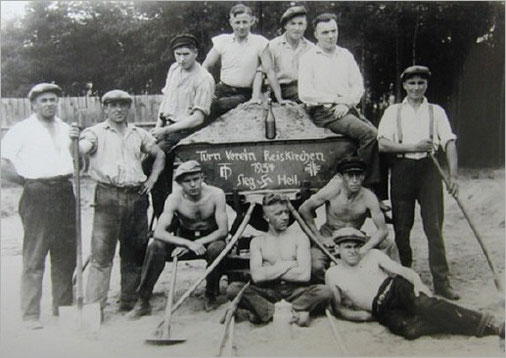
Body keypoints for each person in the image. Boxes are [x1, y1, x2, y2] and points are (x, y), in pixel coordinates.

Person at [71, 90, 165, 313]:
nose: (118, 109)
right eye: (113, 105)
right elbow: (79, 152)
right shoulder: (95, 133)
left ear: (129, 107)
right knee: (102, 255)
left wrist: (151, 180)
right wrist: (73, 142)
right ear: (105, 108)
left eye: (123, 105)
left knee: (134, 252)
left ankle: (129, 301)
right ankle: (95, 307)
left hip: (137, 196)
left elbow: (159, 155)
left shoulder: (138, 133)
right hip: (107, 197)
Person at [325, 228, 505, 340]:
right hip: (380, 309)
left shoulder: (372, 255)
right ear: (338, 249)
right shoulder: (332, 274)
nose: (353, 251)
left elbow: (403, 271)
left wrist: (418, 283)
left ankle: (488, 323)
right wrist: (363, 317)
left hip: (394, 288)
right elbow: (338, 308)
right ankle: (451, 317)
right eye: (347, 247)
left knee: (424, 305)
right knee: (410, 330)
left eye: (356, 246)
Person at [377, 65, 460, 300]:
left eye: (421, 83)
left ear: (426, 85)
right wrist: (412, 147)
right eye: (411, 83)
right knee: (402, 229)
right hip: (402, 170)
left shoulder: (436, 111)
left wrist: (453, 176)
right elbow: (382, 144)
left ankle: (442, 283)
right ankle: (405, 280)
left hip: (429, 170)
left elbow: (450, 143)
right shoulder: (393, 111)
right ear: (404, 85)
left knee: (434, 228)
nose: (416, 88)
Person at [1, 83, 76, 329]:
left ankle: (63, 310)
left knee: (65, 254)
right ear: (33, 104)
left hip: (64, 190)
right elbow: (3, 162)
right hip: (37, 192)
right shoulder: (22, 130)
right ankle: (31, 314)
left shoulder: (66, 128)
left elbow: (77, 159)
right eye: (43, 100)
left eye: (53, 99)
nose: (49, 104)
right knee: (35, 252)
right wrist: (25, 182)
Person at [127, 160, 228, 318]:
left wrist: (197, 243)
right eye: (187, 181)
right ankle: (143, 300)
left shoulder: (216, 194)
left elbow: (223, 231)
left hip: (209, 238)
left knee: (218, 248)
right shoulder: (174, 199)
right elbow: (159, 232)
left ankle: (211, 294)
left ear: (203, 177)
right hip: (183, 239)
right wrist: (187, 244)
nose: (193, 184)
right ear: (180, 183)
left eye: (196, 179)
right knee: (155, 246)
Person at [298, 13, 384, 199]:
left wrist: (347, 102)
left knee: (381, 138)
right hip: (324, 112)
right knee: (369, 135)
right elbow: (305, 93)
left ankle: (380, 197)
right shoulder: (308, 58)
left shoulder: (345, 55)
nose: (330, 36)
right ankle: (365, 189)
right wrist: (338, 100)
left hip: (346, 108)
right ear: (316, 34)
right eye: (325, 32)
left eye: (334, 31)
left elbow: (358, 86)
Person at [226, 193, 332, 326]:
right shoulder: (258, 242)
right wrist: (289, 264)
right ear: (266, 217)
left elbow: (304, 276)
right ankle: (289, 312)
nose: (285, 217)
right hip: (269, 292)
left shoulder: (300, 238)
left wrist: (269, 270)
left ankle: (265, 312)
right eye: (278, 214)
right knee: (233, 289)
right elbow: (258, 277)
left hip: (296, 292)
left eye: (286, 212)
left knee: (325, 291)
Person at [144, 33, 215, 218]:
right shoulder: (174, 69)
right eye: (178, 54)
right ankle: (165, 213)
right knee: (143, 157)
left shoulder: (204, 79)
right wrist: (157, 128)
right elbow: (165, 102)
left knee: (152, 162)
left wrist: (165, 130)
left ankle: (166, 216)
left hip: (186, 132)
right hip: (166, 128)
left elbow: (198, 118)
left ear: (196, 53)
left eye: (186, 54)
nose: (181, 59)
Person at [299, 156, 396, 283]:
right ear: (341, 176)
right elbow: (304, 209)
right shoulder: (333, 189)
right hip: (330, 234)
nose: (355, 180)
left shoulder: (369, 197)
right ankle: (335, 289)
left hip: (355, 236)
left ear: (364, 176)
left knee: (390, 245)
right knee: (315, 266)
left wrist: (364, 249)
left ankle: (394, 283)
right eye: (350, 175)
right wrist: (319, 238)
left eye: (358, 175)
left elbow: (382, 230)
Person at [203, 4, 287, 116]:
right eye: (237, 22)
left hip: (243, 93)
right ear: (231, 22)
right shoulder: (222, 41)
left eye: (245, 22)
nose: (241, 26)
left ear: (251, 21)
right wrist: (206, 89)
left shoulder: (260, 42)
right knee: (200, 102)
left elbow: (270, 71)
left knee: (217, 105)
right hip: (222, 88)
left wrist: (280, 98)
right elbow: (206, 65)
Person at [260, 5, 315, 102]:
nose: (297, 28)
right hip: (279, 87)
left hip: (302, 86)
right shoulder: (273, 45)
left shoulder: (311, 48)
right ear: (286, 26)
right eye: (292, 24)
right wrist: (279, 98)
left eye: (300, 24)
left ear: (305, 26)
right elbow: (269, 73)